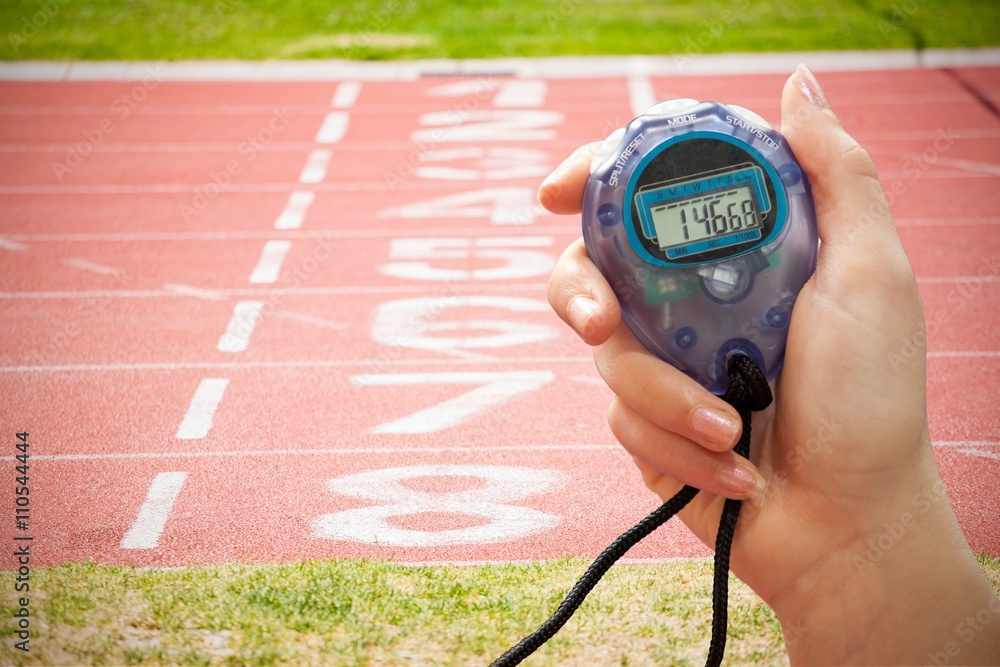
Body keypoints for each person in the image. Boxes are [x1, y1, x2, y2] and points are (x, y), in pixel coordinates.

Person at [540, 64, 1000, 665]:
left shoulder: (669, 194)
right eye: (686, 221)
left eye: (727, 212)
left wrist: (872, 528)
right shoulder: (745, 166)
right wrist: (845, 572)